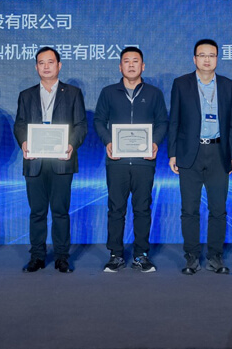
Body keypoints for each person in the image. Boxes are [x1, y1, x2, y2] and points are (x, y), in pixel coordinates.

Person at [94, 47, 168, 273]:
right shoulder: (108, 92)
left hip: (144, 161)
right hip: (116, 161)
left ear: (143, 66)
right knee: (116, 209)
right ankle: (115, 255)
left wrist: (154, 143)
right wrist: (108, 142)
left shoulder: (154, 93)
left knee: (142, 209)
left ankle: (141, 255)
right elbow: (99, 121)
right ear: (120, 67)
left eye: (136, 61)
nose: (131, 65)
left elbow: (162, 122)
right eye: (126, 61)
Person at [13, 47, 87, 273]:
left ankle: (62, 257)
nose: (46, 66)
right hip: (34, 161)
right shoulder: (26, 95)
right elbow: (20, 124)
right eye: (41, 62)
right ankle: (37, 256)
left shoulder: (73, 93)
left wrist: (71, 144)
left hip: (61, 161)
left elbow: (81, 125)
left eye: (50, 62)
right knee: (37, 212)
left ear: (59, 65)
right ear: (36, 66)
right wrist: (24, 142)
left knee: (60, 212)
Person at [168, 39, 232, 275]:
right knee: (189, 209)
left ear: (217, 58)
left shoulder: (228, 86)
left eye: (212, 55)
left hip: (218, 153)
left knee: (218, 209)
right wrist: (172, 153)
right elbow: (174, 120)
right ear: (194, 59)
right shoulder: (181, 84)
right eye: (202, 55)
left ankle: (215, 257)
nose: (207, 59)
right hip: (190, 153)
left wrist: (231, 154)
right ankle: (191, 257)